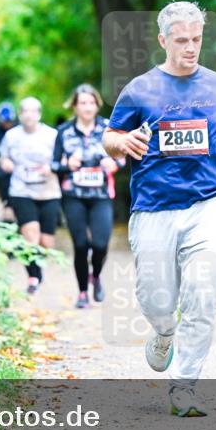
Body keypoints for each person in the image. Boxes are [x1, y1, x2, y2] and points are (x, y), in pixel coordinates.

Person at [103, 1, 216, 416]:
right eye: (182, 41)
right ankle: (163, 333)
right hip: (154, 206)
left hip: (208, 204)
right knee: (156, 299)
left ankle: (184, 386)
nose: (191, 47)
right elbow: (111, 136)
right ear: (163, 41)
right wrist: (121, 144)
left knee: (202, 292)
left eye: (197, 39)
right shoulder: (139, 89)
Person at [53, 83, 126, 309]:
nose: (87, 107)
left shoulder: (108, 128)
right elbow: (53, 164)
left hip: (101, 194)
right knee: (81, 245)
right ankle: (83, 291)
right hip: (73, 195)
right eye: (82, 103)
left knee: (100, 244)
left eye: (91, 102)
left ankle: (96, 275)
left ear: (97, 105)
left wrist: (112, 163)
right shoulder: (63, 131)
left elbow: (122, 157)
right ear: (74, 106)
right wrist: (67, 164)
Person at [0, 97, 61, 294]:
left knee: (46, 242)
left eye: (33, 111)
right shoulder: (11, 136)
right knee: (30, 234)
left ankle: (37, 268)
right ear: (20, 114)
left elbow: (63, 159)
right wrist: (5, 164)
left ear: (39, 114)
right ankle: (34, 277)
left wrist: (51, 168)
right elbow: (3, 157)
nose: (29, 115)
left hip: (48, 191)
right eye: (25, 111)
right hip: (21, 190)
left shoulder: (52, 135)